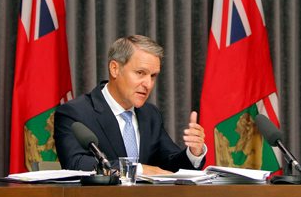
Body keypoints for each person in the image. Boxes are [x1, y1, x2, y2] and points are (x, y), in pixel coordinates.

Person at [54, 35, 206, 175]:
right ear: (115, 69)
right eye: (140, 73)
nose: (148, 84)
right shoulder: (75, 113)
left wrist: (193, 152)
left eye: (153, 76)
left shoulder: (150, 114)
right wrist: (138, 169)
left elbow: (169, 166)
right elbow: (76, 164)